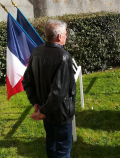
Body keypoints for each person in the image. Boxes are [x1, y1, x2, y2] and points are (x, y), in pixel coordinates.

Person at [22, 20, 76, 158]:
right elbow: (58, 93)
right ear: (59, 37)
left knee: (51, 142)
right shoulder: (64, 57)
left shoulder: (36, 51)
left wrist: (37, 105)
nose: (66, 36)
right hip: (60, 113)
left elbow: (27, 81)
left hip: (44, 110)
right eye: (65, 34)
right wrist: (41, 110)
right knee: (62, 149)